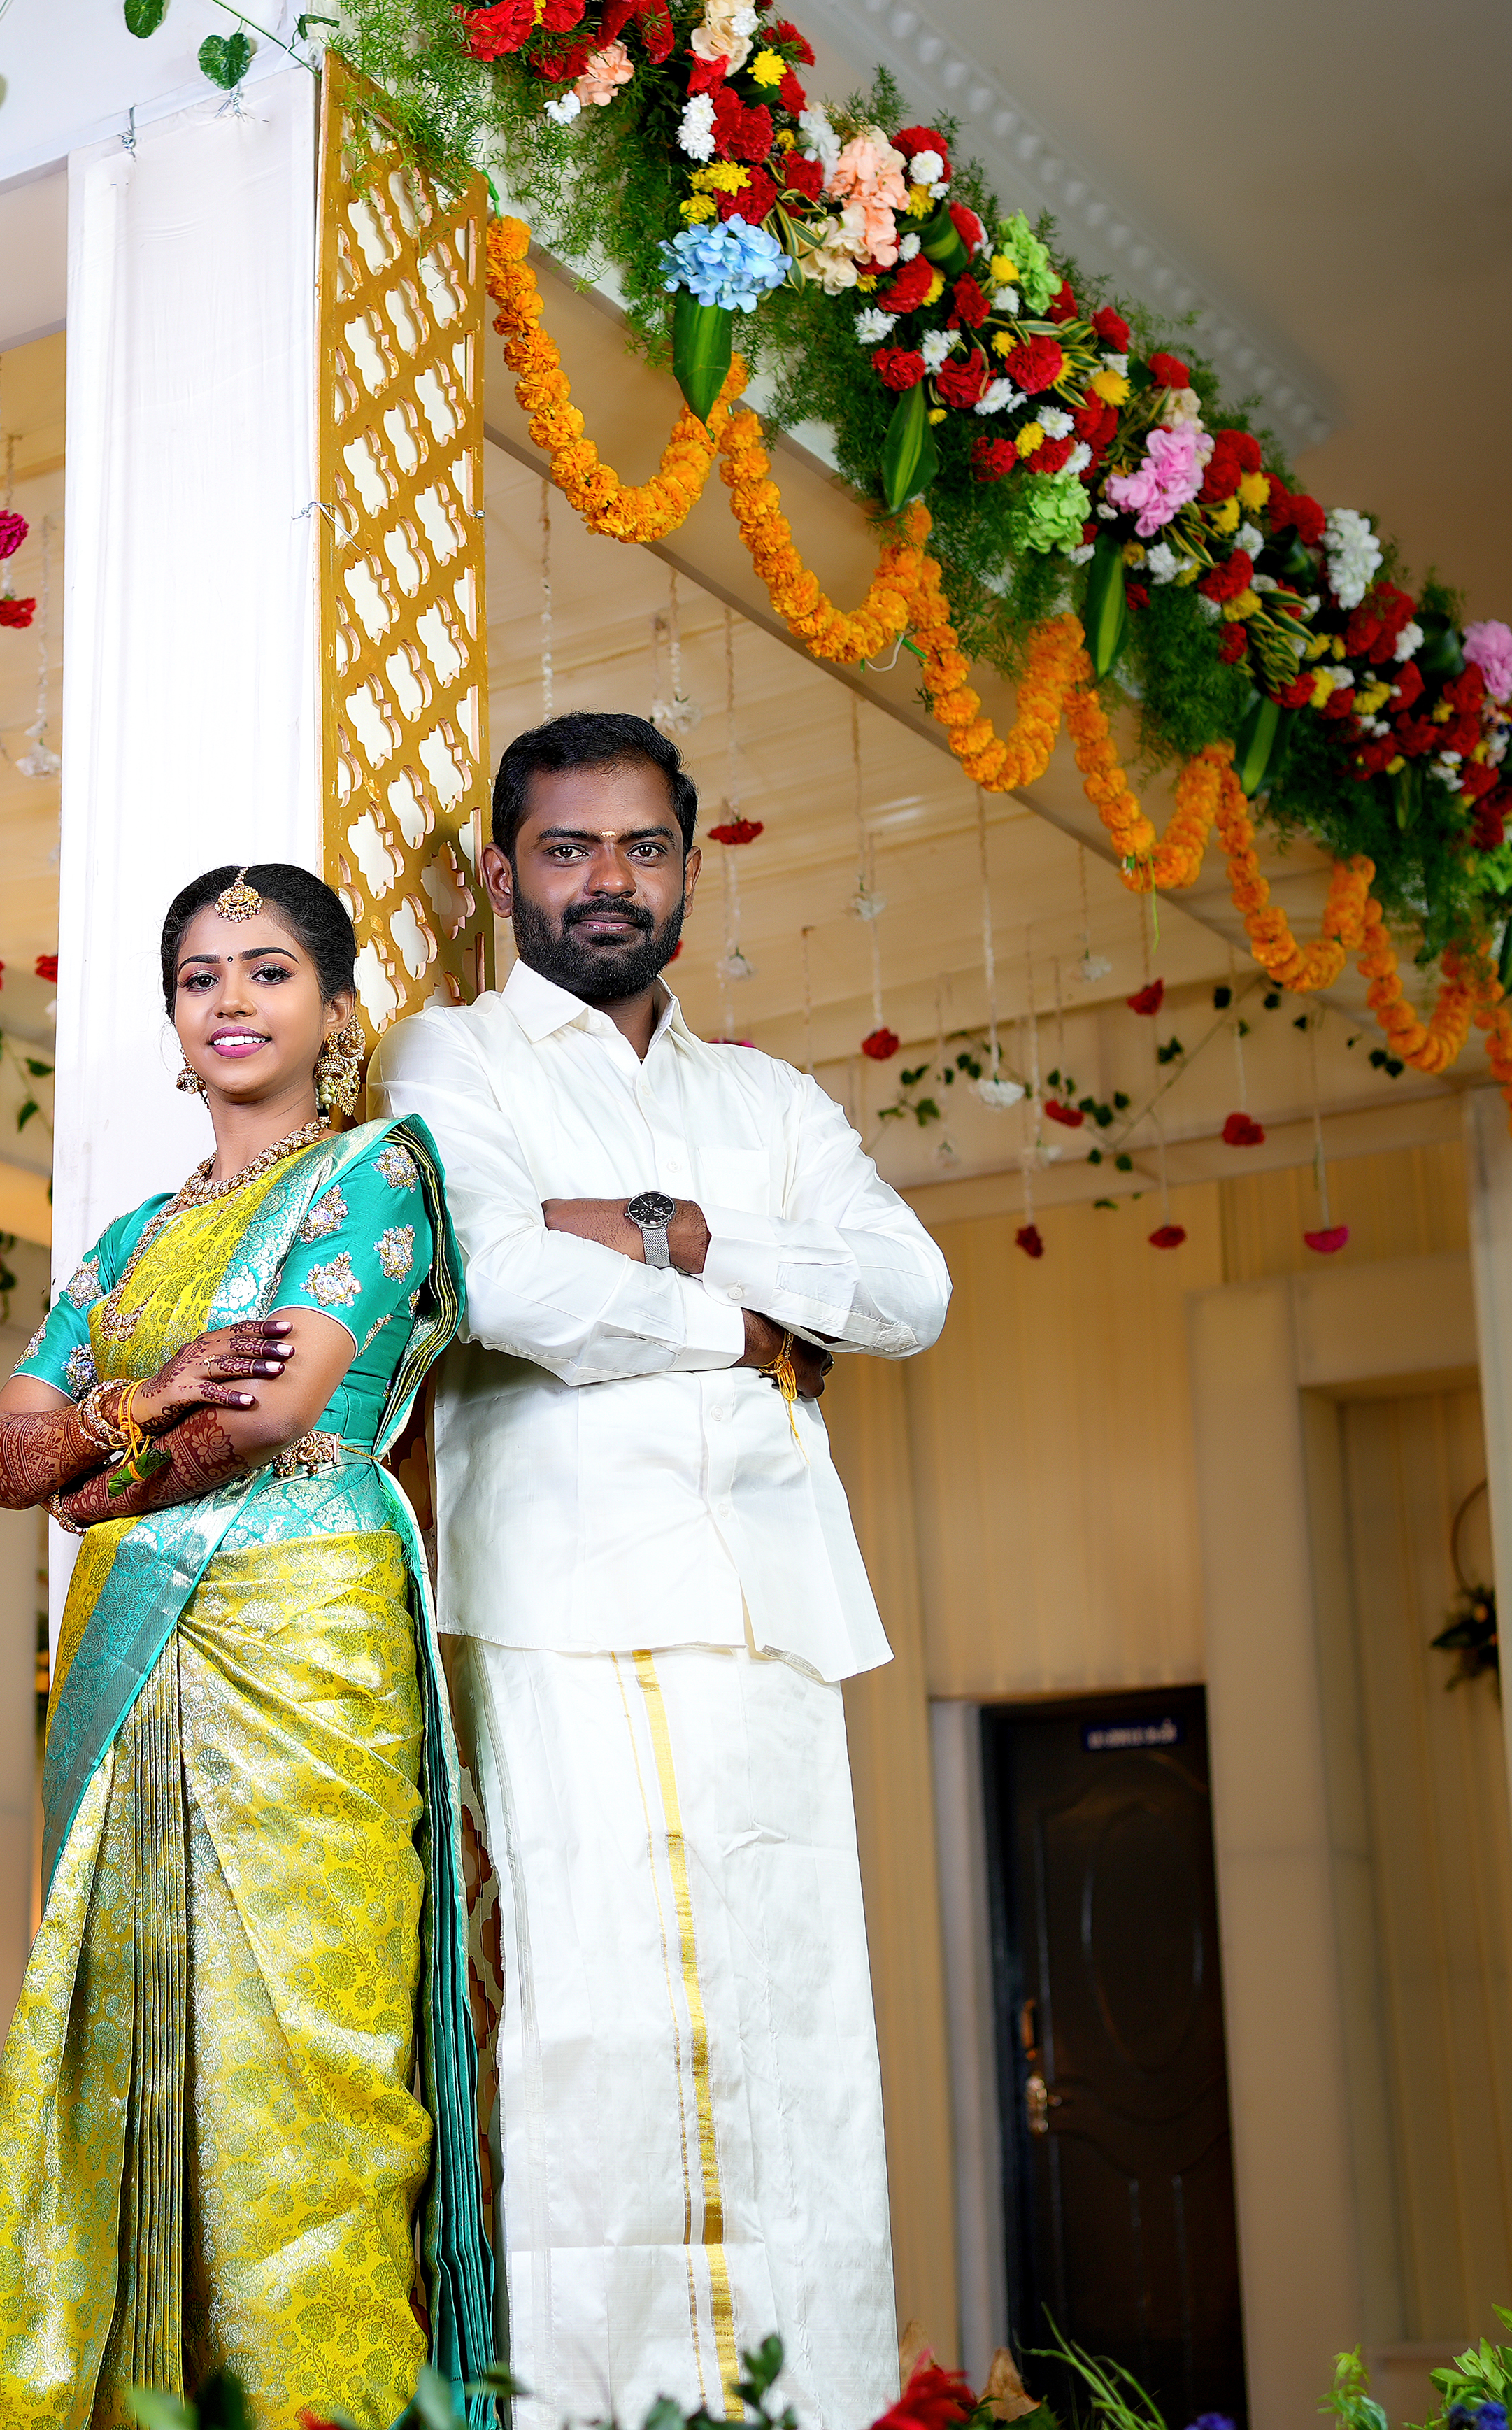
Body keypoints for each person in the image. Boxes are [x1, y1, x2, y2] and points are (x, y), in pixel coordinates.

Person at [375, 711, 951, 2430]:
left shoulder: (766, 1099)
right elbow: (497, 1284)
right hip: (555, 1596)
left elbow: (909, 1294)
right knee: (593, 2049)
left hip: (770, 1609)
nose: (606, 881)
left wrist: (666, 1229)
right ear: (504, 876)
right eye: (567, 849)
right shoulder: (451, 1059)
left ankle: (813, 2408)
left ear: (689, 868)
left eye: (640, 848)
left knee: (798, 2044)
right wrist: (755, 1326)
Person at [0, 861, 499, 2430]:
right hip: (130, 1645)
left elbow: (274, 1415)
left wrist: (101, 1459)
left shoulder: (377, 1175)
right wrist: (141, 1403)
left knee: (302, 2045)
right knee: (116, 2028)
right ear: (175, 1023)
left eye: (267, 971)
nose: (231, 1002)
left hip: (302, 1634)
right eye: (199, 977)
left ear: (335, 1008)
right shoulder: (119, 1244)